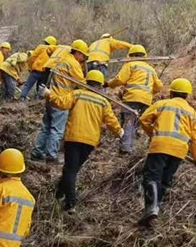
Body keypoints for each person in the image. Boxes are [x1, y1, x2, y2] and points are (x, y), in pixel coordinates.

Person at [44, 69, 123, 212]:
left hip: (74, 137)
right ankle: (59, 193)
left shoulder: (78, 94)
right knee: (72, 169)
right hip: (90, 141)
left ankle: (71, 203)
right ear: (100, 86)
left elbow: (61, 103)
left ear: (86, 82)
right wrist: (120, 131)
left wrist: (50, 95)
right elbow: (111, 120)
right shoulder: (103, 101)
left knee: (70, 169)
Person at [137, 78, 196, 227]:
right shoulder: (192, 113)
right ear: (187, 95)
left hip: (160, 146)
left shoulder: (162, 104)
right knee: (165, 180)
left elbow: (144, 119)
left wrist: (152, 134)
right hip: (179, 151)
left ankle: (151, 209)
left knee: (151, 177)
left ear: (171, 92)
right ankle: (155, 212)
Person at [30, 39, 88, 163]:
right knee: (57, 129)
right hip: (61, 101)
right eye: (83, 55)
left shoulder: (61, 60)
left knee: (46, 127)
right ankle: (51, 156)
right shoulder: (73, 63)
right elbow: (82, 84)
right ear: (77, 53)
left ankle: (37, 152)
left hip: (50, 97)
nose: (82, 59)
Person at [107, 44, 162, 154]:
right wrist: (149, 92)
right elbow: (159, 86)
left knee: (129, 122)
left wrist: (109, 84)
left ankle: (126, 149)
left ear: (130, 55)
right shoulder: (150, 69)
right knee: (140, 123)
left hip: (132, 98)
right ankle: (142, 148)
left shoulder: (130, 64)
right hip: (146, 100)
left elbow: (120, 79)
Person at [19, 36, 57, 100]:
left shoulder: (41, 47)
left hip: (36, 71)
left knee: (28, 85)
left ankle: (22, 98)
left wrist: (30, 67)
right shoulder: (54, 50)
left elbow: (32, 57)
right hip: (46, 72)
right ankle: (37, 100)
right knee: (41, 87)